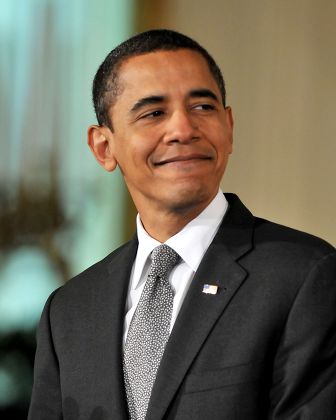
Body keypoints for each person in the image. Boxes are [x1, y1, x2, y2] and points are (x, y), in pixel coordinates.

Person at [28, 29, 336, 420]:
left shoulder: (303, 275)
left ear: (229, 127)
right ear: (104, 147)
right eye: (154, 113)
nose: (183, 130)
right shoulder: (69, 310)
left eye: (203, 108)